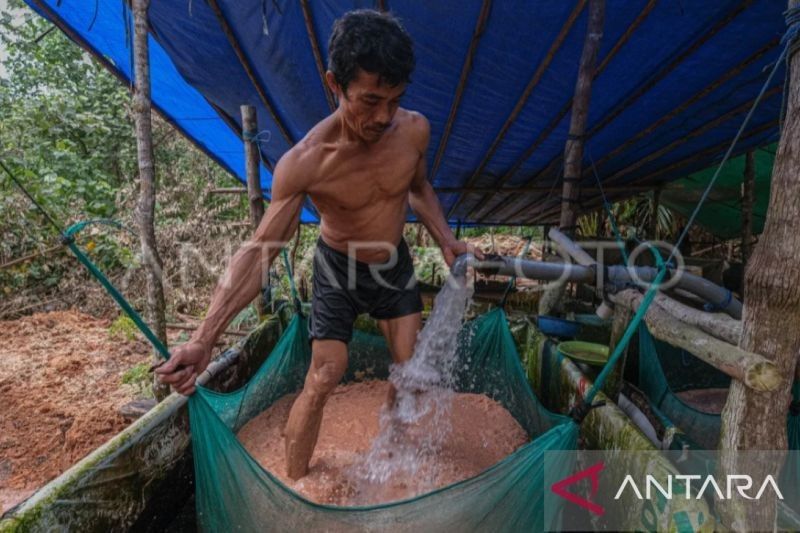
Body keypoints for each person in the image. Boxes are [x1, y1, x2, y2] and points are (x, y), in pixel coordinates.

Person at [156, 9, 481, 480]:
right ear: (335, 83)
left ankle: (389, 449)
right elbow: (262, 247)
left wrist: (447, 241)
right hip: (337, 268)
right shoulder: (305, 162)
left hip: (392, 263)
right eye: (370, 101)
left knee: (409, 373)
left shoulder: (413, 131)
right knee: (326, 373)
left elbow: (418, 188)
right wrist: (204, 340)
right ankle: (296, 482)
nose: (383, 116)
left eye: (394, 100)